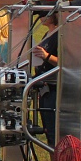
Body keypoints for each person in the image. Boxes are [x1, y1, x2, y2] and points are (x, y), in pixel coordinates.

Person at [32, 11, 60, 146]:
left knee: (54, 132)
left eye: (44, 14)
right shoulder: (47, 34)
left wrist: (46, 56)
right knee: (48, 131)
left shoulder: (60, 34)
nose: (41, 17)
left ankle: (57, 158)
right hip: (43, 88)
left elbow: (66, 62)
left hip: (53, 88)